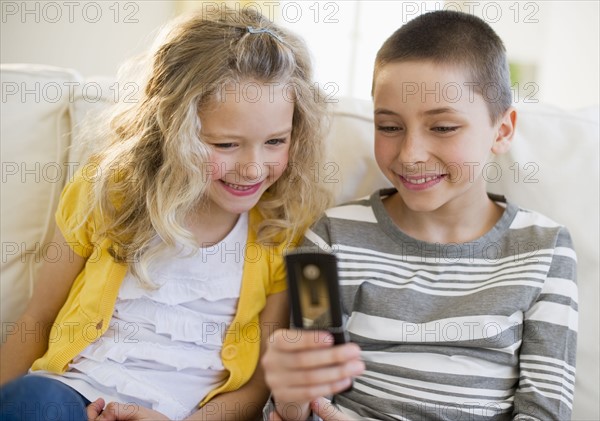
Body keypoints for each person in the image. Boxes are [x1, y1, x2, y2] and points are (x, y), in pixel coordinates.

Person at [0, 6, 331, 421]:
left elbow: (258, 383)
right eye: (225, 145)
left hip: (186, 416)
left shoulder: (286, 226)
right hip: (75, 395)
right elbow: (39, 316)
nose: (251, 168)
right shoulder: (109, 190)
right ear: (170, 129)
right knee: (34, 400)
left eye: (275, 141)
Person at [262, 10, 578, 421]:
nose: (410, 155)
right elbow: (300, 400)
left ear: (501, 131)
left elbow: (546, 412)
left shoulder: (544, 249)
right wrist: (290, 398)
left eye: (443, 128)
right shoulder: (332, 238)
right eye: (390, 127)